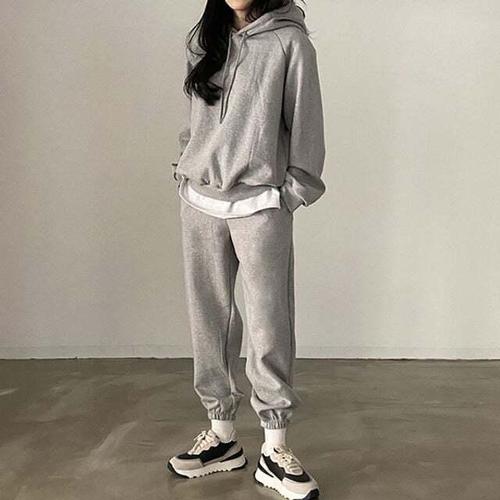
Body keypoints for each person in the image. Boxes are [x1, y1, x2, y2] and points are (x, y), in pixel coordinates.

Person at [167, 1, 326, 498]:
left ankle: (275, 448)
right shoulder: (204, 39)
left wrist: (291, 194)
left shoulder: (290, 43)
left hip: (260, 205)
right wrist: (185, 165)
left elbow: (306, 126)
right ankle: (221, 436)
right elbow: (198, 119)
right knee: (209, 319)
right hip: (199, 201)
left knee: (267, 322)